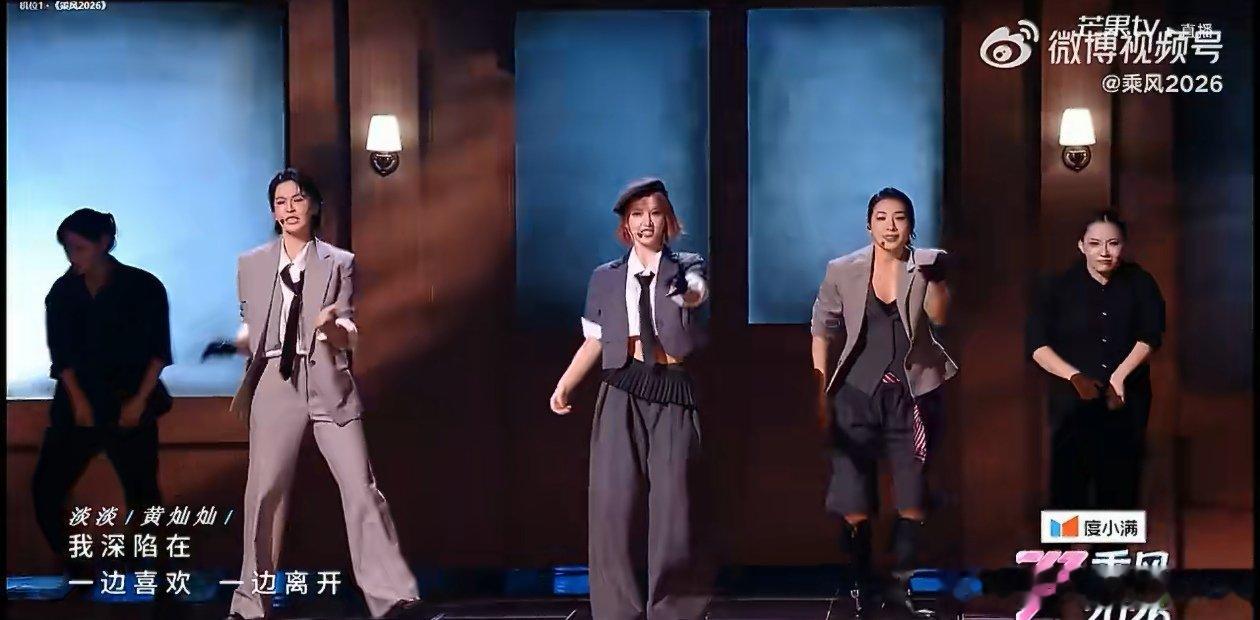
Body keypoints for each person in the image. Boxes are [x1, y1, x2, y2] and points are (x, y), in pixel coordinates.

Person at [226, 169, 420, 619]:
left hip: (328, 377)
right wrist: (239, 342)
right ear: (272, 212)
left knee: (361, 488)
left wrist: (331, 327)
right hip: (275, 378)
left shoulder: (339, 262)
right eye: (280, 202)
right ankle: (250, 603)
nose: (289, 208)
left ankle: (391, 595)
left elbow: (348, 330)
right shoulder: (251, 263)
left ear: (313, 205)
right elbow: (250, 326)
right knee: (264, 492)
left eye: (297, 199)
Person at [549, 178, 712, 619]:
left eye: (655, 213)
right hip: (621, 388)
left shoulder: (685, 265)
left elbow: (696, 291)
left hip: (671, 389)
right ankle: (616, 610)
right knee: (611, 505)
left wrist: (686, 292)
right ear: (626, 223)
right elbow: (595, 339)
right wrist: (566, 384)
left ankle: (674, 609)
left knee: (675, 507)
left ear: (667, 220)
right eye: (637, 214)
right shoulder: (605, 277)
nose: (646, 222)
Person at [809, 187, 958, 614]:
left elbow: (941, 317)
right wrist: (821, 387)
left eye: (899, 218)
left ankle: (899, 586)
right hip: (856, 393)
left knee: (912, 496)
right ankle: (862, 586)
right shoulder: (843, 269)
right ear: (868, 224)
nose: (890, 227)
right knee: (853, 498)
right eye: (881, 218)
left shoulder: (926, 264)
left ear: (911, 225)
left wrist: (937, 280)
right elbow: (822, 328)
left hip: (912, 394)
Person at [34, 208, 173, 579]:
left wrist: (138, 402)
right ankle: (76, 566)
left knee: (142, 493)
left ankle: (147, 570)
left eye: (79, 248)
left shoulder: (143, 286)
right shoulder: (63, 291)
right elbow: (61, 355)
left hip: (130, 398)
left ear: (104, 243)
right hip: (77, 404)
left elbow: (158, 351)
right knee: (46, 489)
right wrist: (79, 402)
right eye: (68, 249)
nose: (72, 257)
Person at [1026, 210, 1165, 512]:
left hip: (1125, 401)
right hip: (1071, 404)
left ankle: (1112, 542)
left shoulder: (1140, 283)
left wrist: (1120, 376)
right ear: (1081, 245)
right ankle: (1071, 543)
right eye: (1095, 243)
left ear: (1123, 246)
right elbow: (1036, 344)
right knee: (1068, 489)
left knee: (1121, 487)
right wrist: (1074, 376)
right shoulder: (1057, 287)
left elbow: (1151, 335)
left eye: (1113, 243)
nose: (1104, 252)